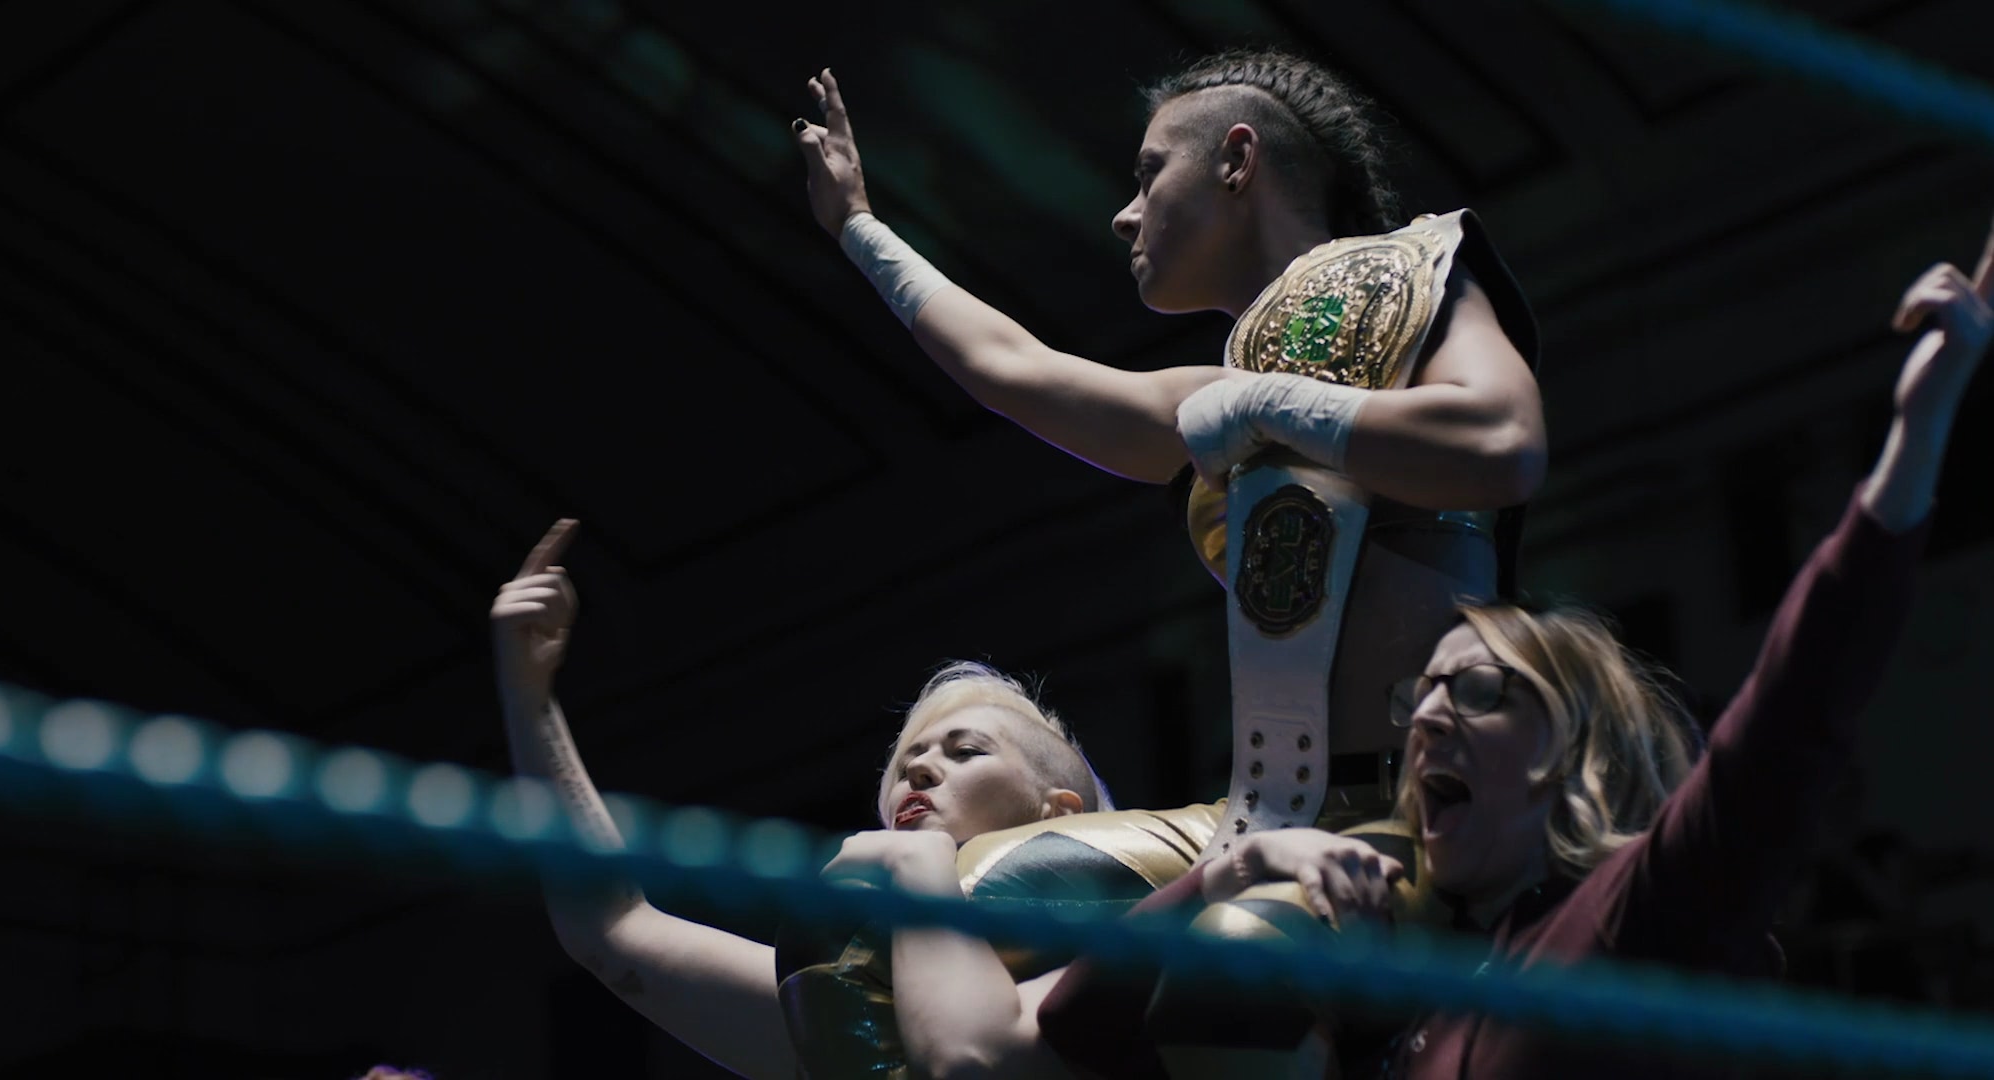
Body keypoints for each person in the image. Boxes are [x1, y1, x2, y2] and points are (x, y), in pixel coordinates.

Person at [1034, 221, 1994, 1078]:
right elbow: (1079, 1020)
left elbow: (1797, 711)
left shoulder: (1636, 916)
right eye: (1424, 698)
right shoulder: (1410, 991)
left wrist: (1918, 436)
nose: (1429, 718)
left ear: (1573, 749)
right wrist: (1232, 869)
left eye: (1480, 690)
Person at [793, 49, 1546, 818]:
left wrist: (1261, 406)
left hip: (1445, 805)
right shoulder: (1218, 405)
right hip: (1280, 819)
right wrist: (858, 227)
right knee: (1021, 869)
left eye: (1150, 173)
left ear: (1237, 159)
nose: (1125, 213)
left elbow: (1500, 444)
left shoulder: (1414, 274)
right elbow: (1008, 365)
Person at [489, 519, 1217, 1078]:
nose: (920, 774)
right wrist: (531, 700)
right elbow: (611, 932)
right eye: (906, 765)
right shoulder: (844, 994)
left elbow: (974, 1062)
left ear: (1060, 812)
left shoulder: (1138, 948)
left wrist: (928, 864)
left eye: (965, 752)